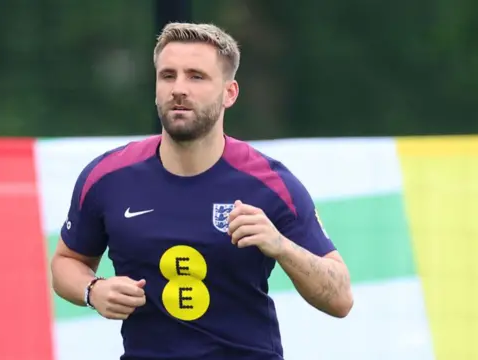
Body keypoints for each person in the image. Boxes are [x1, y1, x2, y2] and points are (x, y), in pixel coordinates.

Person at [50, 22, 353, 360]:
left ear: (230, 93)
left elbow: (340, 298)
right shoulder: (107, 176)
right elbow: (66, 262)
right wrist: (93, 290)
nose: (179, 88)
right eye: (168, 75)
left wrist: (280, 246)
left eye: (196, 76)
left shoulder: (271, 184)